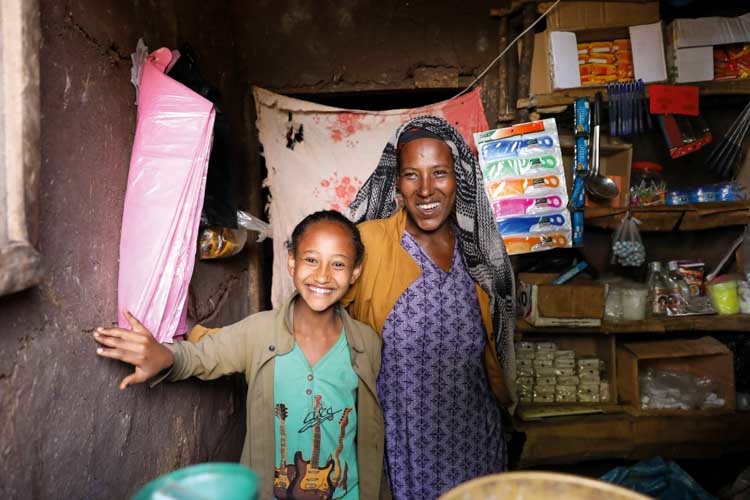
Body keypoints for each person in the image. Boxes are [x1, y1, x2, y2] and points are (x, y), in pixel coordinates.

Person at [94, 210, 386, 500]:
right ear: (292, 262)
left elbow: (369, 434)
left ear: (355, 272)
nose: (322, 275)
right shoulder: (258, 333)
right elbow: (199, 357)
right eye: (311, 259)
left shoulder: (366, 344)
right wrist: (164, 356)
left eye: (338, 264)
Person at [344, 116, 516, 499]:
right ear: (396, 182)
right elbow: (315, 305)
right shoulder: (368, 246)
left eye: (439, 173)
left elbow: (497, 335)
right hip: (403, 450)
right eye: (411, 175)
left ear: (460, 178)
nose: (425, 190)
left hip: (475, 440)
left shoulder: (479, 250)